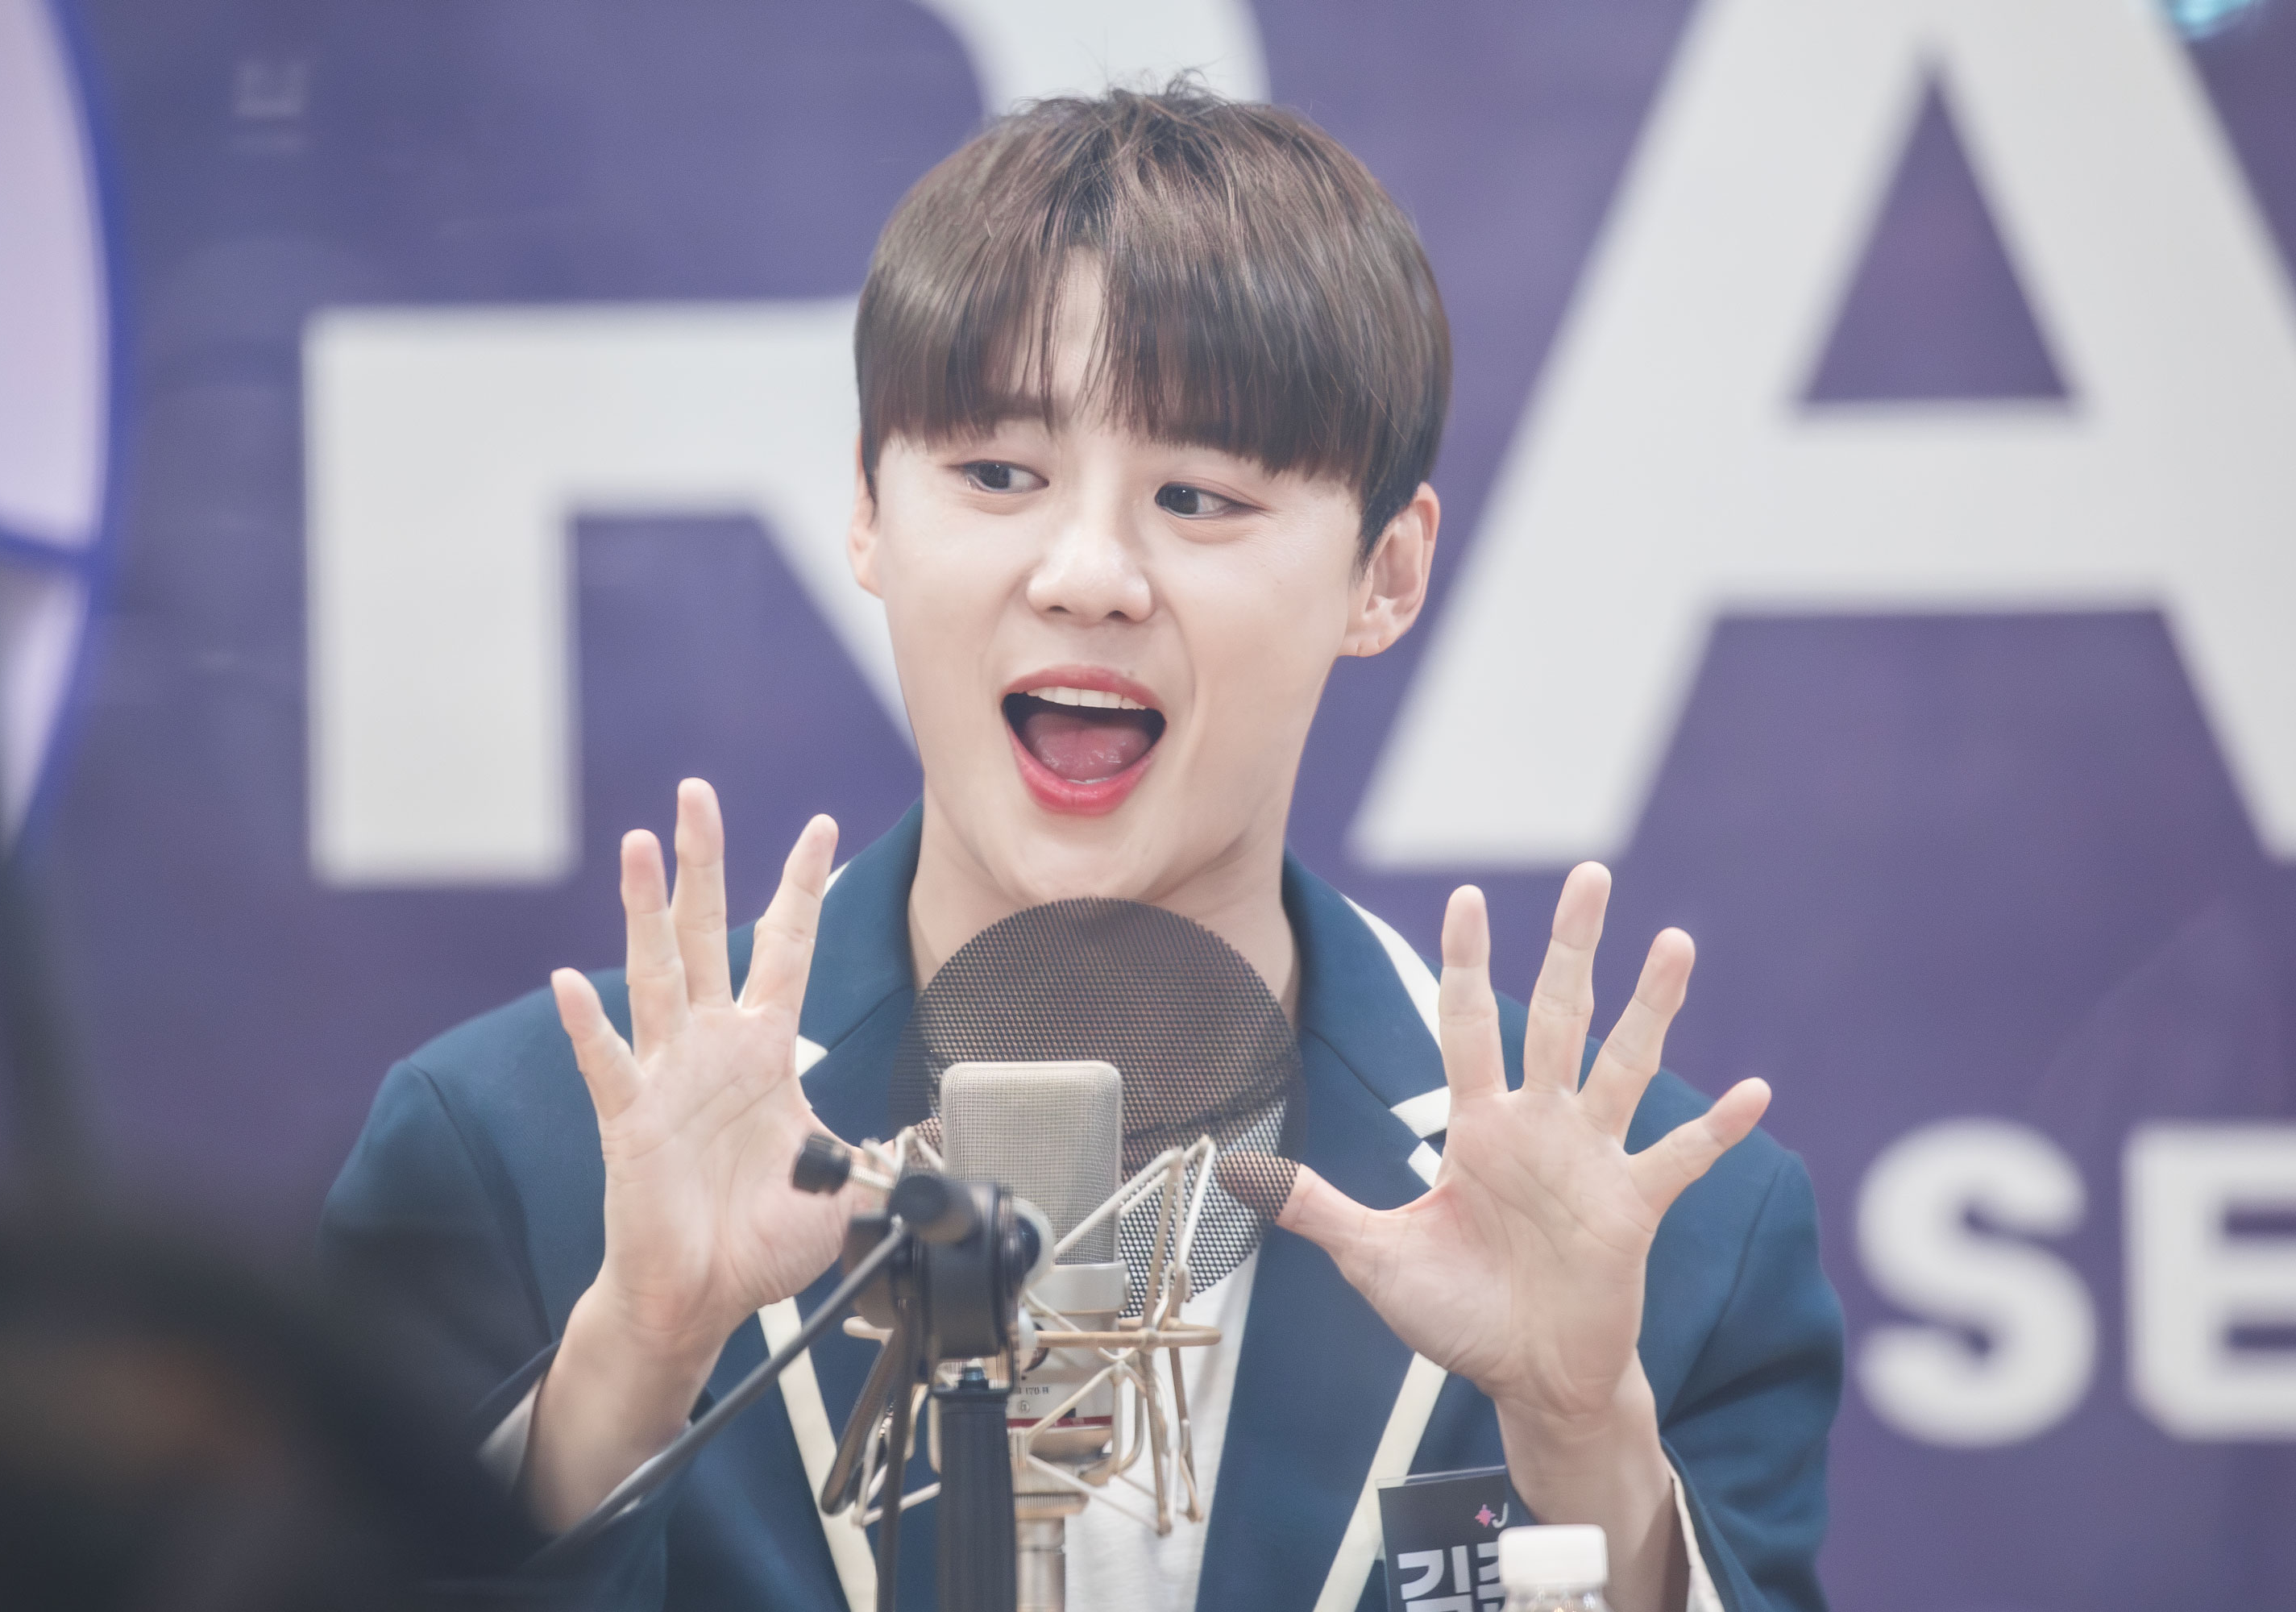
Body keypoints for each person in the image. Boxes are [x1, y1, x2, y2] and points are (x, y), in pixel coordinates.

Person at [322, 83, 1841, 1612]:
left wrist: (1583, 1439)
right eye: (998, 476)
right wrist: (633, 1361)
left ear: (1385, 574)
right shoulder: (517, 1148)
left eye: (1199, 497)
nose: (1089, 572)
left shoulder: (1668, 1239)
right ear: (867, 509)